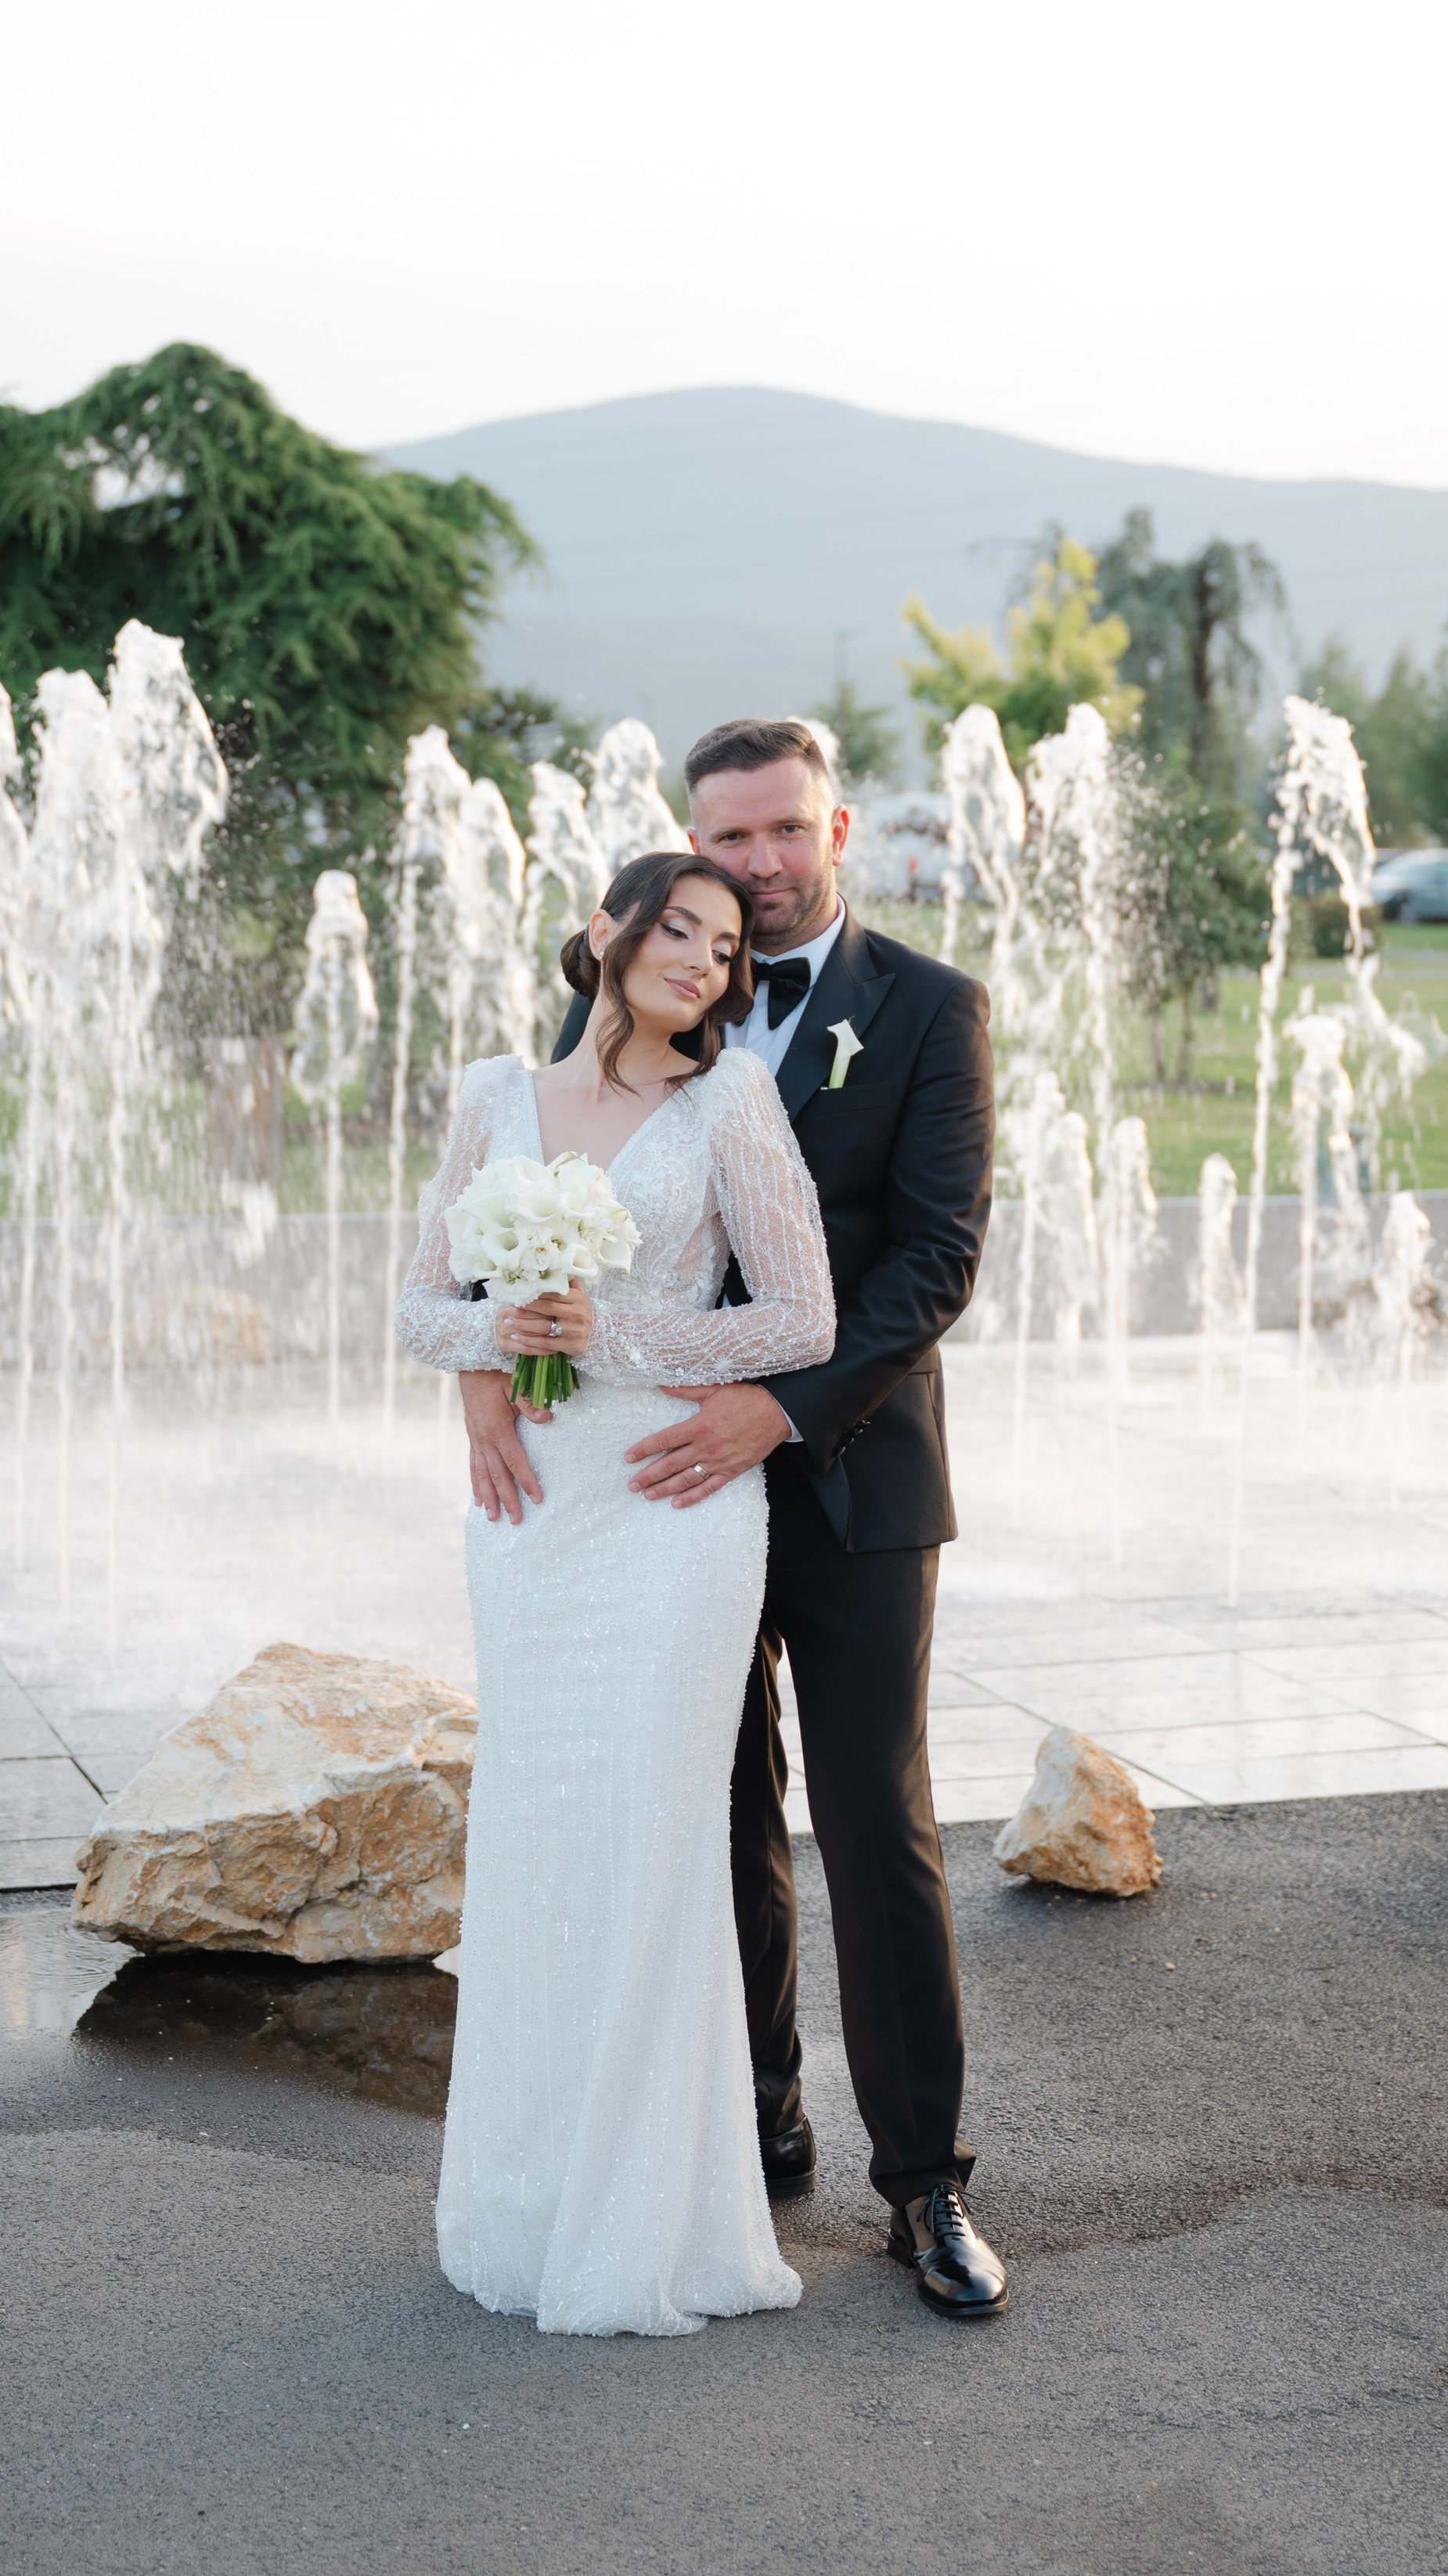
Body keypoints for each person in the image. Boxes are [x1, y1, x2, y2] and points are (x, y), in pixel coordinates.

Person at [463, 719, 1007, 2321]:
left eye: (780, 831)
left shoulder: (926, 1009)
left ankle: (923, 2188)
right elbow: (525, 1210)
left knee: (865, 1815)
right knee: (699, 1812)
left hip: (844, 1472)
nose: (756, 864)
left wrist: (778, 1408)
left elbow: (933, 1257)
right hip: (643, 1495)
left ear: (835, 826)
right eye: (728, 836)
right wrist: (490, 1388)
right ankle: (744, 2126)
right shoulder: (637, 971)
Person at [396, 848, 836, 2338]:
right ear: (607, 934)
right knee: (540, 1836)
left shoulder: (731, 1105)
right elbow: (412, 1305)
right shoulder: (490, 1100)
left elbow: (802, 1313)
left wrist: (618, 1334)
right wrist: (490, 1345)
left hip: (675, 1507)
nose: (704, 961)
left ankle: (657, 2221)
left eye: (726, 949)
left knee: (653, 1837)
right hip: (536, 1519)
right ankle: (526, 2203)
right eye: (680, 930)